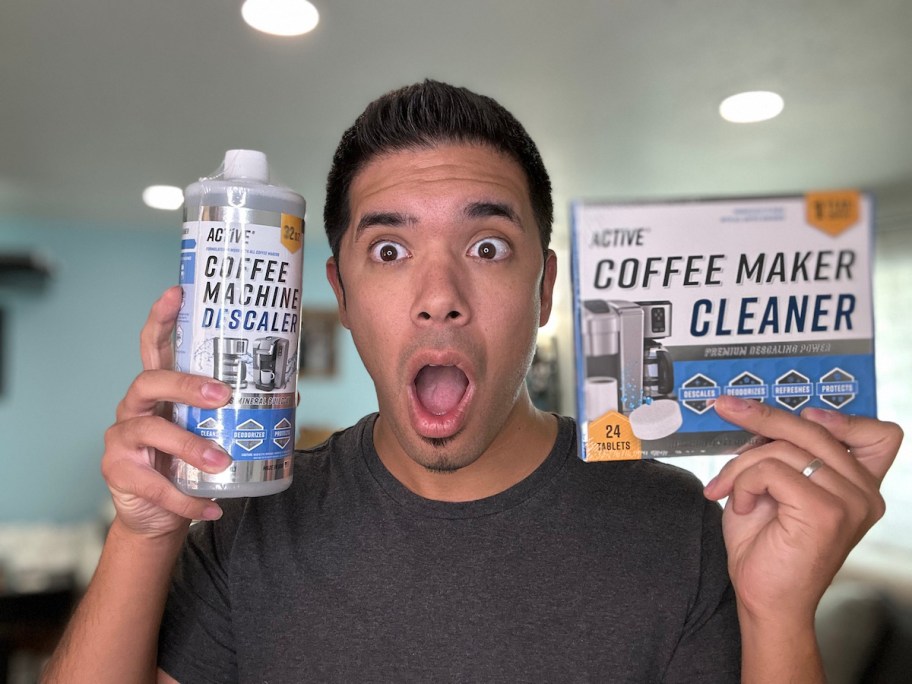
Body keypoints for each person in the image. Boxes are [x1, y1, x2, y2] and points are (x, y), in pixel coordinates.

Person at [44, 80, 902, 683]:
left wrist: (780, 617)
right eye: (389, 250)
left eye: (487, 247)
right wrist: (145, 534)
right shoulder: (244, 528)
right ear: (341, 295)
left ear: (544, 289)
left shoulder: (682, 526)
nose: (440, 300)